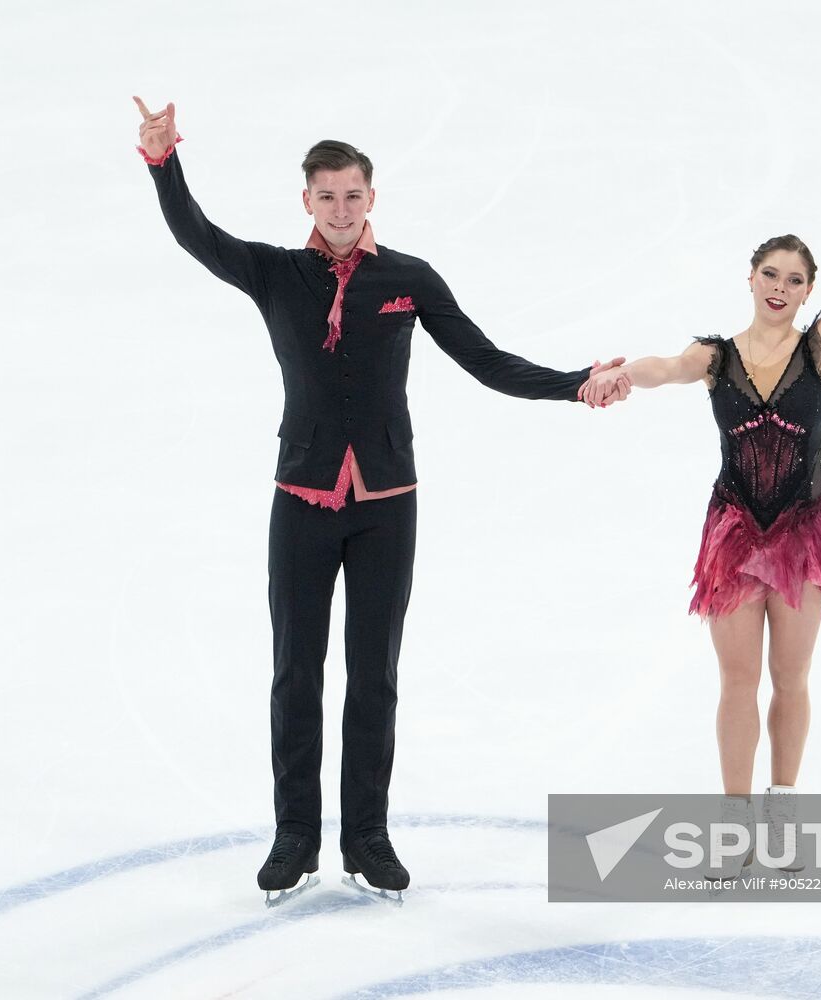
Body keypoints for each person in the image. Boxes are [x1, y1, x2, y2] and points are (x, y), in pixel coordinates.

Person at [131, 97, 632, 904]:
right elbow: (197, 235)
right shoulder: (277, 273)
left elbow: (484, 359)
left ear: (371, 197)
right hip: (300, 498)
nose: (340, 209)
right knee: (296, 671)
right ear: (306, 201)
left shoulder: (407, 280)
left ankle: (367, 834)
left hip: (386, 504)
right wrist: (163, 162)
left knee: (375, 673)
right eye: (326, 195)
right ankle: (296, 834)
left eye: (353, 195)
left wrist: (576, 386)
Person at [578, 136, 821, 872]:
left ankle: (783, 820)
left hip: (801, 528)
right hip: (736, 528)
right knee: (738, 678)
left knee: (792, 678)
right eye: (770, 273)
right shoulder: (716, 357)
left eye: (794, 279)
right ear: (751, 277)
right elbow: (664, 366)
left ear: (805, 292)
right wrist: (621, 374)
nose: (779, 286)